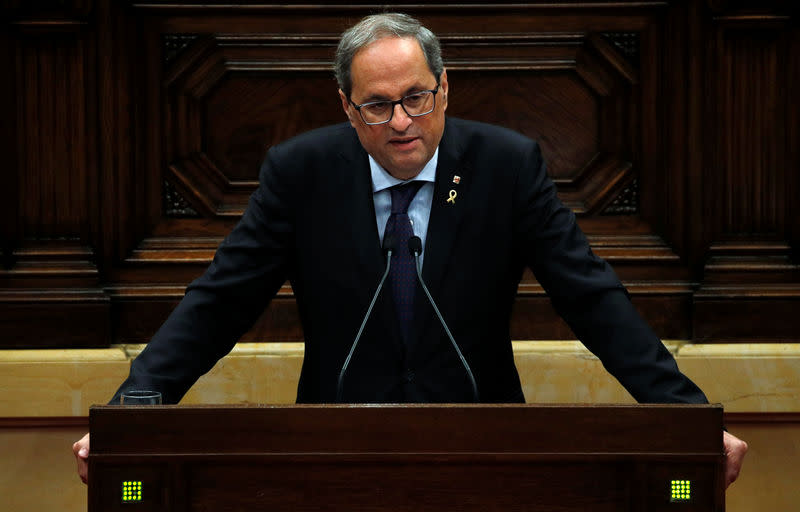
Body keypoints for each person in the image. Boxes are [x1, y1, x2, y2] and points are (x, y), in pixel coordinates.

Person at [74, 12, 747, 486]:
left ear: (445, 88)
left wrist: (688, 420)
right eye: (377, 105)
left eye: (416, 98)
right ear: (346, 107)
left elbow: (592, 298)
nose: (401, 122)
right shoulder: (302, 173)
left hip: (485, 449)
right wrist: (136, 413)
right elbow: (220, 302)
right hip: (331, 453)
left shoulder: (503, 167)